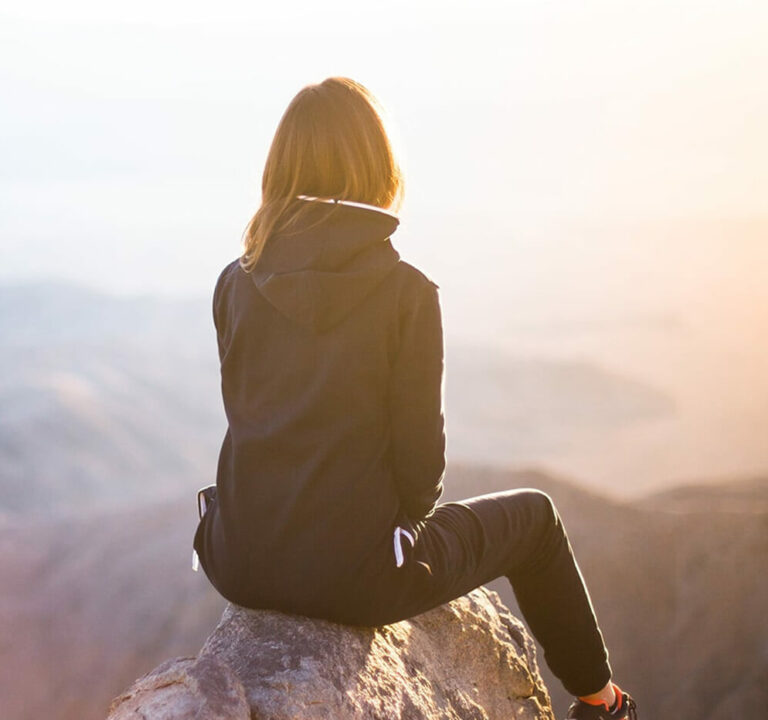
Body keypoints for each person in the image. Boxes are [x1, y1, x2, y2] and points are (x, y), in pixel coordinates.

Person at [192, 77, 637, 720]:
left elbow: (254, 418)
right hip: (359, 579)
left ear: (280, 168)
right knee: (536, 519)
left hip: (237, 559)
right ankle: (602, 701)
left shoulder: (235, 281)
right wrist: (388, 535)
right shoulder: (406, 293)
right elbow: (421, 468)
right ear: (378, 167)